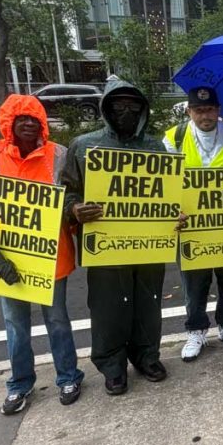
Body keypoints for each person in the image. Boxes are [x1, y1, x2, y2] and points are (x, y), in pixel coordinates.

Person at [0, 94, 83, 414]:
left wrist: (76, 219)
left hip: (51, 259)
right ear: (7, 123)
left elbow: (72, 201)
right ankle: (20, 384)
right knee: (15, 324)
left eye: (33, 119)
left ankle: (68, 376)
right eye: (20, 118)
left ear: (42, 124)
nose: (27, 124)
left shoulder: (60, 155)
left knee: (58, 321)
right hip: (4, 257)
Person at [62, 79, 173, 396]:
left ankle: (147, 357)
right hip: (106, 244)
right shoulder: (83, 145)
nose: (126, 111)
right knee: (109, 308)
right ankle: (113, 367)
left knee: (148, 305)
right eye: (119, 105)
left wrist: (174, 214)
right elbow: (65, 192)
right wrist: (75, 209)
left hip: (148, 243)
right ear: (107, 108)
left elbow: (167, 193)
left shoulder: (154, 147)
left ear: (142, 110)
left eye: (132, 105)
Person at [163, 86, 223, 362]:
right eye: (198, 110)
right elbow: (163, 182)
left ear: (218, 110)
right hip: (191, 226)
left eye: (209, 109)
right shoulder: (173, 137)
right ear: (189, 111)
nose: (205, 115)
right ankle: (196, 330)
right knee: (194, 283)